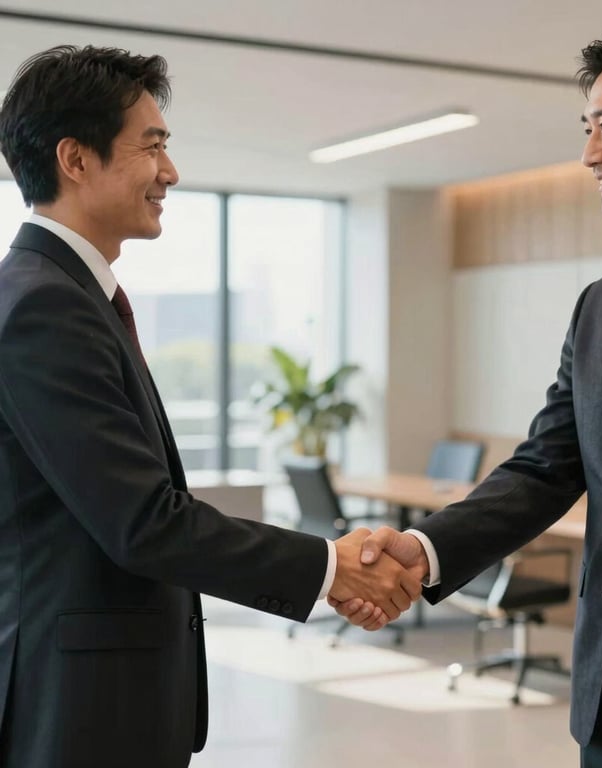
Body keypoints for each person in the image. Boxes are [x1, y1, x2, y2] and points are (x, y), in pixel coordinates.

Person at [334, 22, 602, 766]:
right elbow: (544, 468)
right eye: (586, 129)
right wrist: (421, 549)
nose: (589, 154)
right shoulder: (601, 304)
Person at [0, 45, 419, 768]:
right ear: (75, 158)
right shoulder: (44, 306)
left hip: (97, 693)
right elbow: (142, 522)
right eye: (152, 146)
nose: (171, 173)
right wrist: (331, 566)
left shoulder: (63, 295)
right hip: (77, 709)